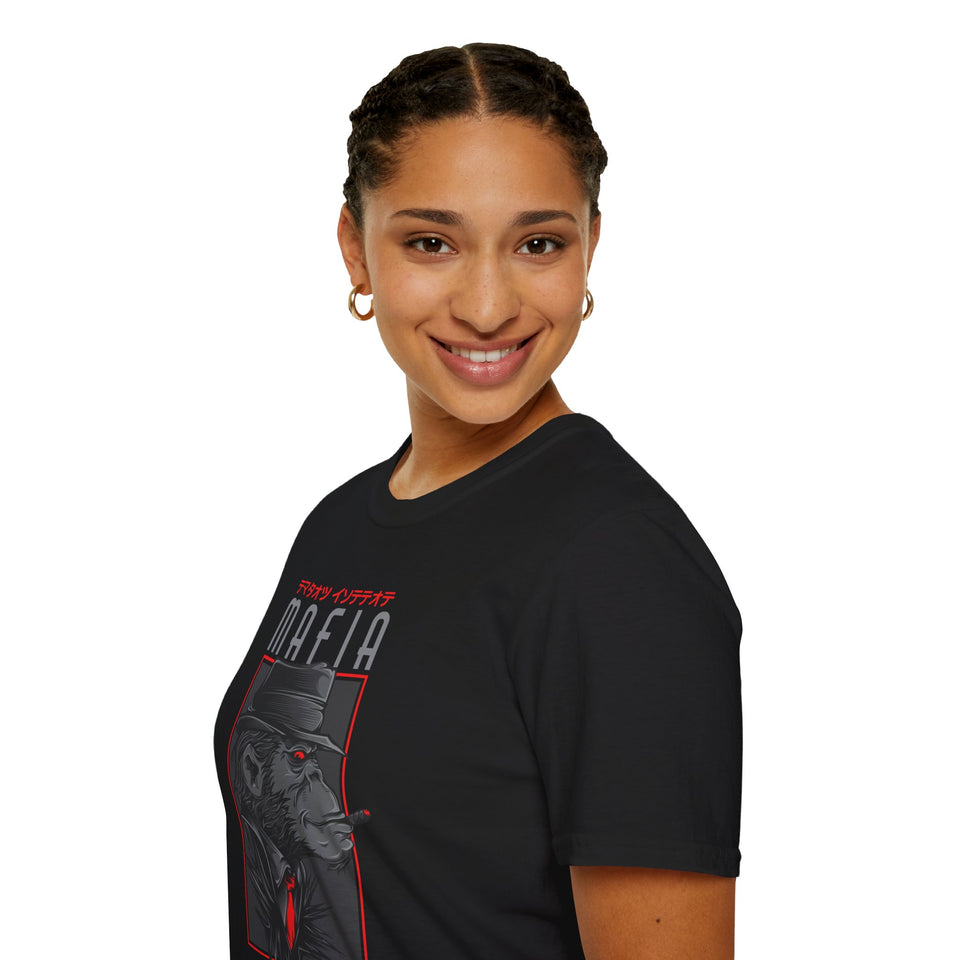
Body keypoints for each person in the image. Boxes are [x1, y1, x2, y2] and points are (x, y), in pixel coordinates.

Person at [215, 42, 742, 960]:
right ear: (355, 248)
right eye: (432, 242)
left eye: (539, 243)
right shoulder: (339, 524)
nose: (489, 305)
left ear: (591, 247)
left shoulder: (619, 566)